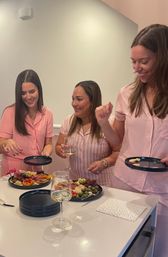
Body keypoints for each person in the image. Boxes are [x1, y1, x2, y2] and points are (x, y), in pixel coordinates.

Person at [95, 24, 168, 257]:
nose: (137, 68)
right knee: (125, 245)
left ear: (163, 57)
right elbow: (117, 141)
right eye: (133, 62)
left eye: (144, 61)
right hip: (125, 182)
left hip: (162, 188)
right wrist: (104, 122)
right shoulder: (126, 93)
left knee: (158, 248)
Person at [55, 80, 119, 186]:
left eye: (79, 99)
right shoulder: (68, 120)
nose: (74, 103)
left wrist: (104, 163)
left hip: (102, 186)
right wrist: (60, 150)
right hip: (75, 185)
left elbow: (118, 152)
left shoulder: (109, 122)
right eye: (73, 99)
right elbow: (58, 146)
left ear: (92, 101)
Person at [0, 69, 54, 175]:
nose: (28, 97)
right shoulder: (10, 112)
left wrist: (47, 151)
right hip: (13, 172)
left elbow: (48, 144)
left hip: (37, 171)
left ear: (39, 90)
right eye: (23, 93)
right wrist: (5, 142)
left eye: (32, 91)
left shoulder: (47, 114)